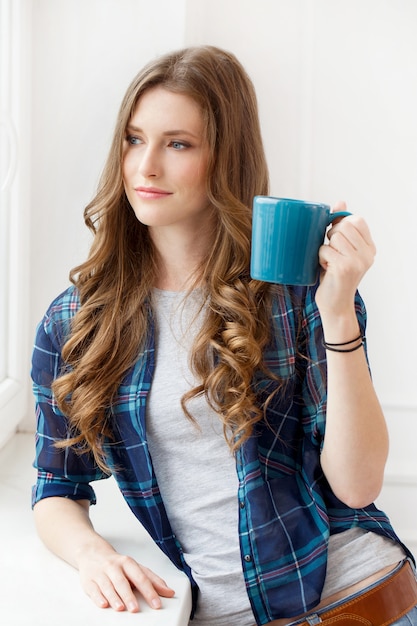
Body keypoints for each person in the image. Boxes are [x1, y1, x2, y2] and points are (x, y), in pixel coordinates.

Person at [31, 45, 417, 626]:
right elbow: (56, 486)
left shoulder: (293, 293)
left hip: (354, 598)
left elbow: (358, 486)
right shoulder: (79, 320)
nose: (146, 167)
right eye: (135, 139)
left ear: (225, 158)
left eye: (178, 143)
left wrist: (338, 314)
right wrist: (94, 556)